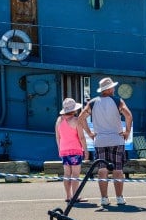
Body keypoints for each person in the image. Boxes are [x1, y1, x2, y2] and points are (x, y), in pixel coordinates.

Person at [81, 77, 133, 207]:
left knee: (102, 170)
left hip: (100, 140)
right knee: (118, 169)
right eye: (113, 87)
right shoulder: (117, 101)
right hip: (116, 138)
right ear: (109, 89)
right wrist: (127, 131)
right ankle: (119, 198)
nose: (114, 89)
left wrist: (90, 133)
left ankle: (104, 198)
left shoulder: (92, 103)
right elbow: (128, 115)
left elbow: (81, 118)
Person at [54, 97, 87, 203]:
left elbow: (58, 137)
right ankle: (75, 196)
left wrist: (60, 149)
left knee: (67, 174)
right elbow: (81, 137)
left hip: (64, 150)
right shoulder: (76, 120)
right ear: (74, 109)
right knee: (75, 174)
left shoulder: (59, 120)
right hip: (75, 150)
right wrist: (85, 150)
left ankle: (68, 196)